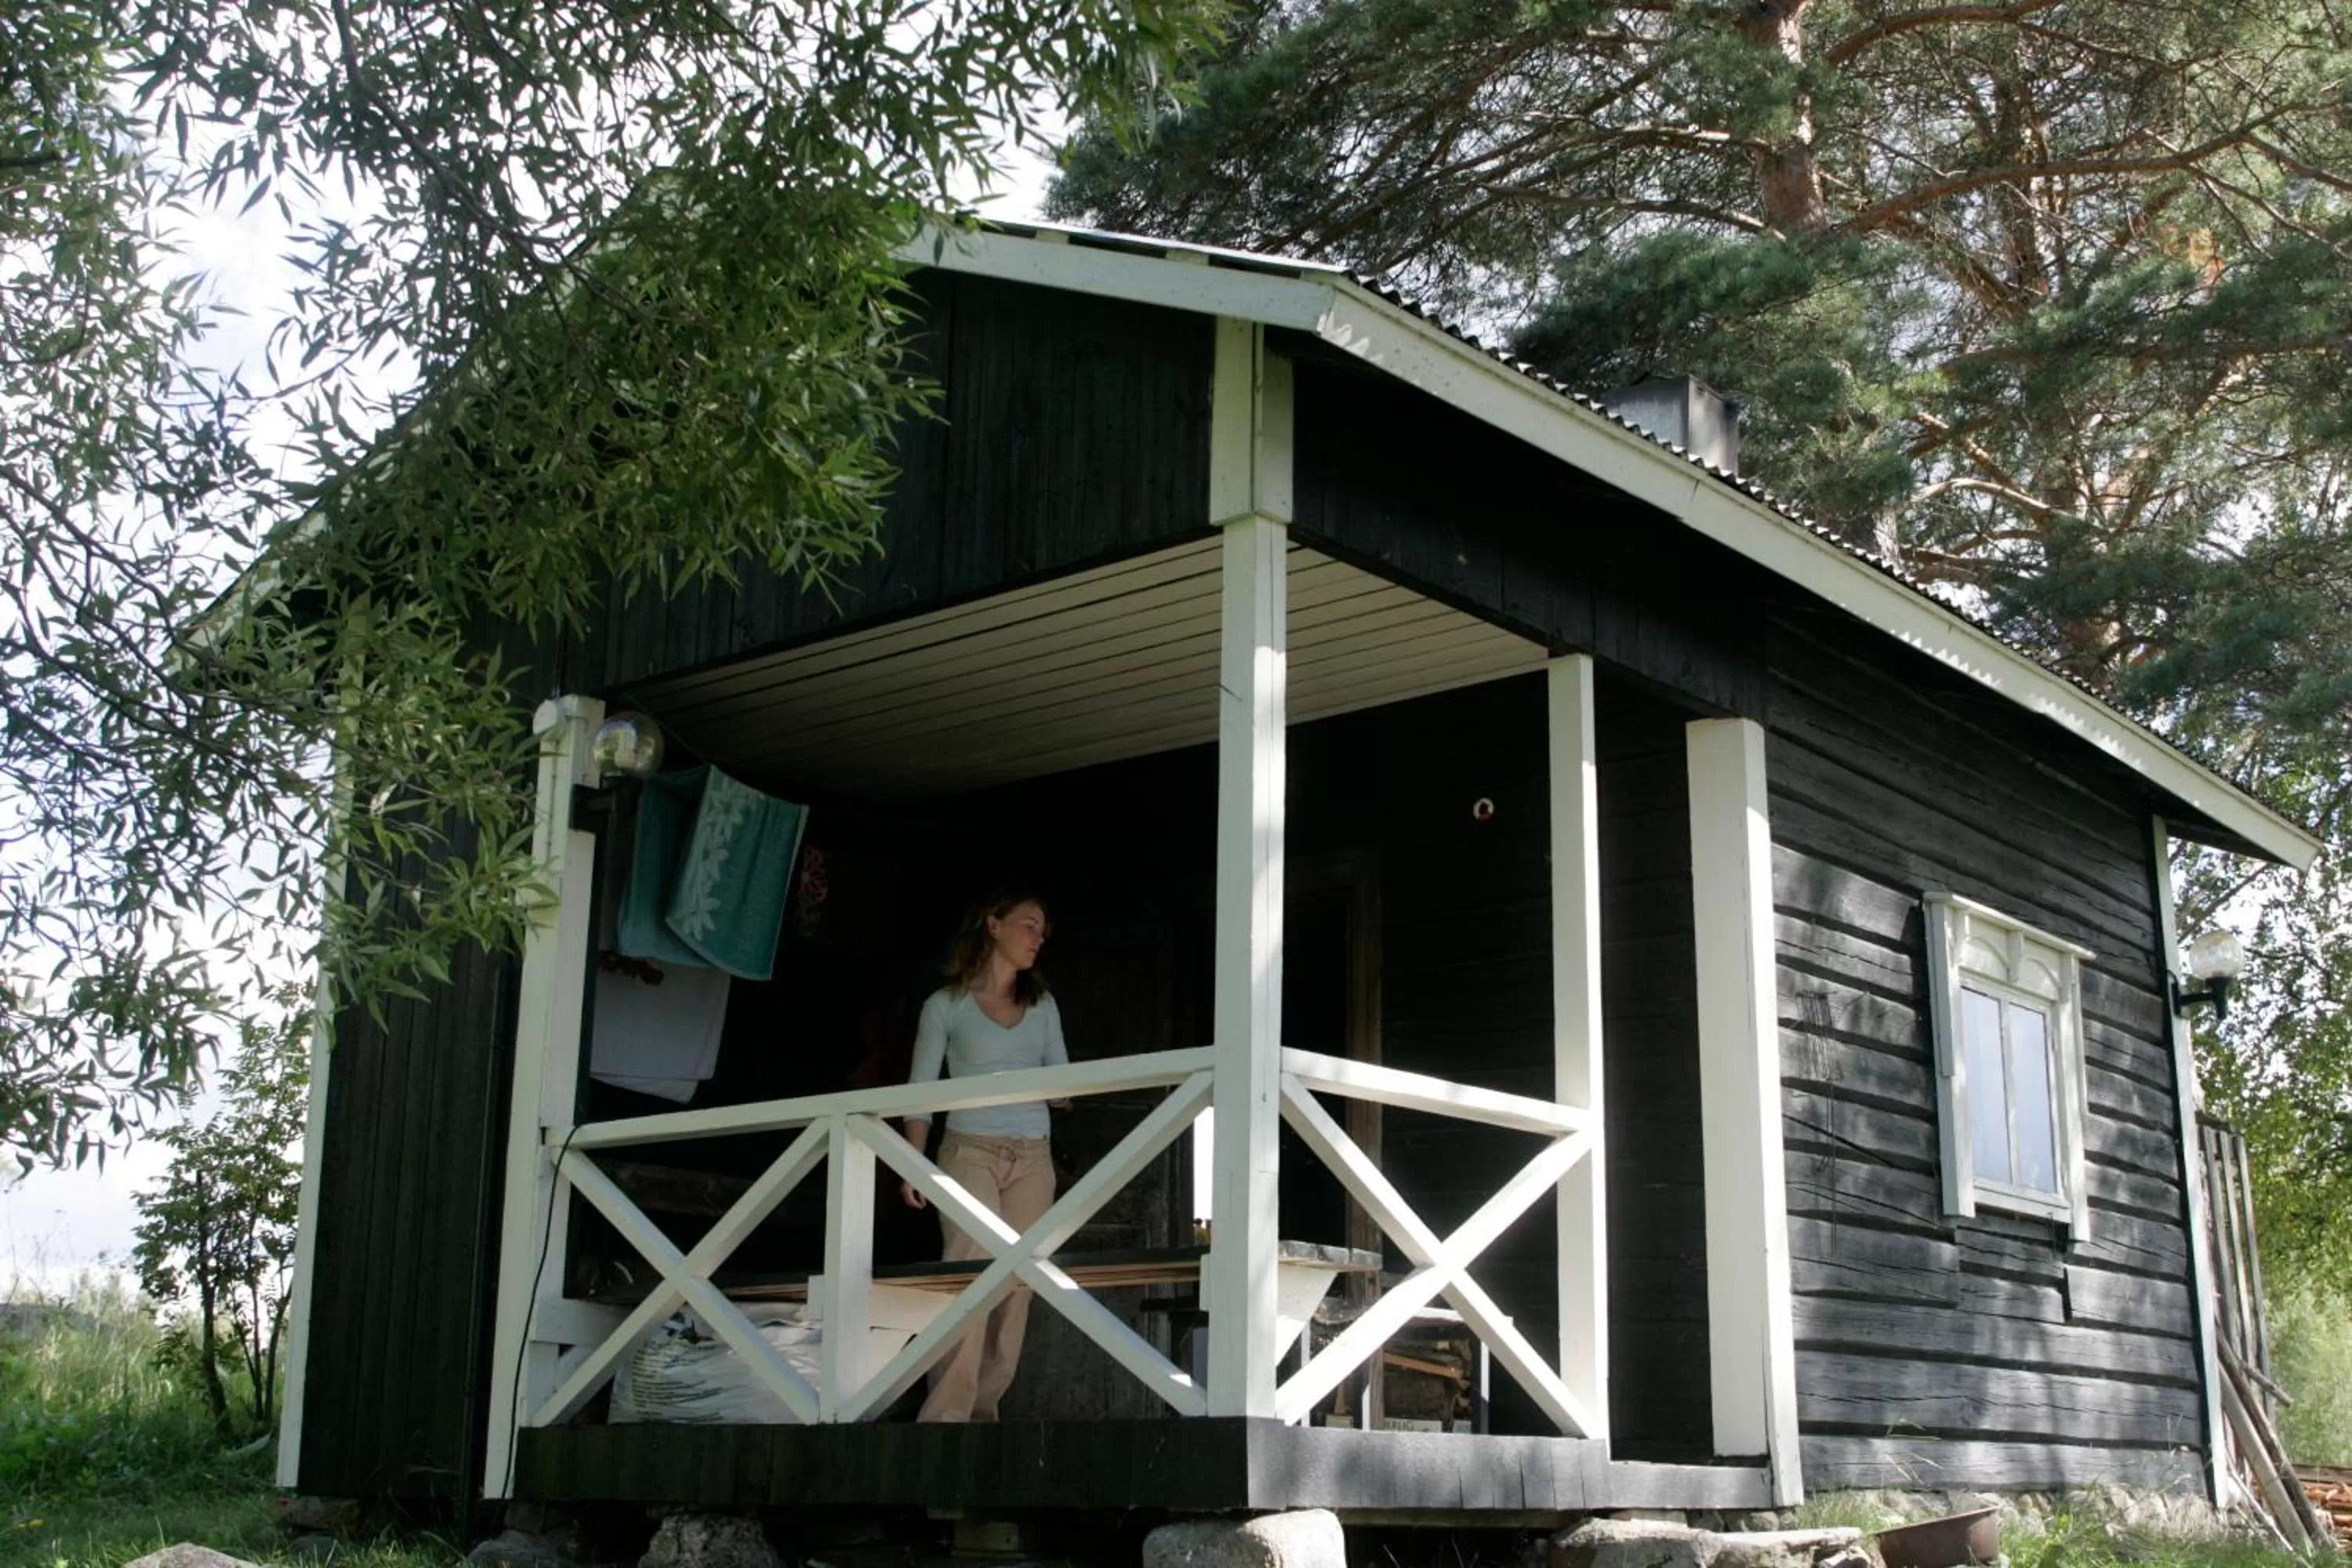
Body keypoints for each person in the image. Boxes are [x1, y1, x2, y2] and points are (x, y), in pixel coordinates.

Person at [901, 888, 1066, 1421]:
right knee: (967, 1276)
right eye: (1029, 926)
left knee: (1018, 1285)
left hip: (1034, 1157)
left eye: (1043, 932)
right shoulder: (945, 1005)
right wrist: (913, 1163)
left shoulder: (1043, 1006)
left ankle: (985, 1413)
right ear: (994, 925)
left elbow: (1062, 1082)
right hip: (969, 1149)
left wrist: (1053, 1085)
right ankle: (946, 1418)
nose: (1038, 940)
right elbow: (920, 1092)